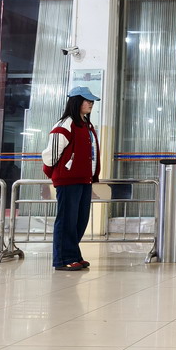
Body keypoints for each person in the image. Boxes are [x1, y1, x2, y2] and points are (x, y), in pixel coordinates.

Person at [41, 86, 101, 271]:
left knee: (80, 220)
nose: (91, 103)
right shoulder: (65, 125)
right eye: (87, 100)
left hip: (84, 179)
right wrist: (60, 173)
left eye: (91, 101)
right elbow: (50, 156)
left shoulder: (86, 125)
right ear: (76, 102)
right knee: (67, 220)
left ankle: (73, 254)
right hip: (68, 180)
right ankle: (63, 259)